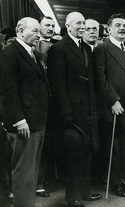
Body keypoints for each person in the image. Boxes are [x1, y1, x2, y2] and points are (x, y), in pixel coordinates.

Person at [47, 12, 101, 207]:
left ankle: (85, 191)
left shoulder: (86, 47)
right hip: (71, 112)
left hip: (88, 109)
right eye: (78, 23)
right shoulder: (58, 49)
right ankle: (73, 197)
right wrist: (66, 114)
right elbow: (57, 85)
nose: (82, 26)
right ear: (68, 26)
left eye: (84, 23)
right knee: (73, 155)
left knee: (87, 151)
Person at [0, 17, 49, 207]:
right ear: (20, 31)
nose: (39, 35)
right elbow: (8, 91)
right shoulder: (11, 54)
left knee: (31, 173)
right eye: (35, 31)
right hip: (24, 123)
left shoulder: (32, 53)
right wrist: (20, 120)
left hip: (36, 122)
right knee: (24, 174)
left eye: (39, 31)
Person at [94, 13, 125, 197]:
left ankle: (122, 178)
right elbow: (100, 78)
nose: (122, 28)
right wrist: (113, 100)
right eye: (118, 26)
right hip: (115, 106)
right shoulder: (102, 49)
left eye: (124, 26)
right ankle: (115, 183)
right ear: (109, 29)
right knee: (115, 147)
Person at [35, 16, 56, 198]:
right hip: (37, 100)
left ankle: (45, 178)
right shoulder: (34, 47)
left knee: (48, 143)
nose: (50, 28)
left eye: (52, 25)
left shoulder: (57, 45)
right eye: (46, 25)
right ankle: (37, 182)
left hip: (55, 100)